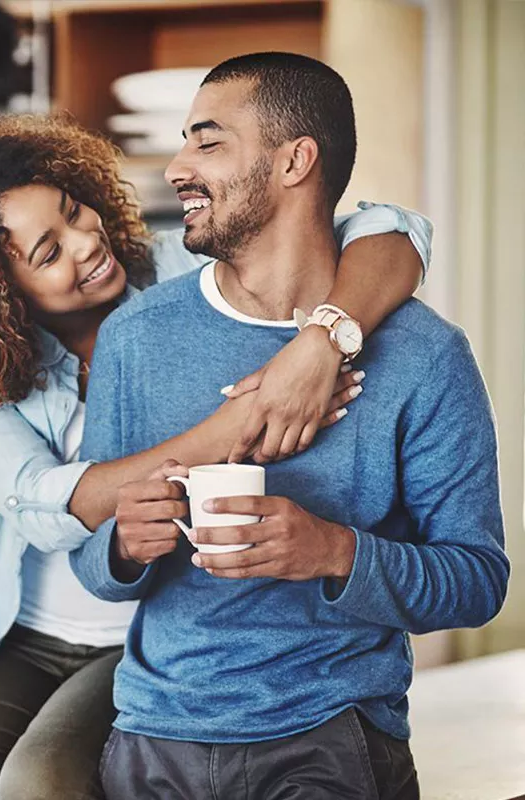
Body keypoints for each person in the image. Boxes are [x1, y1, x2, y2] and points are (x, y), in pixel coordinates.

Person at [0, 111, 432, 800]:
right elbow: (43, 501)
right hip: (23, 634)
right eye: (48, 253)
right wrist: (240, 421)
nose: (86, 242)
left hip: (150, 632)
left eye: (73, 211)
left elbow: (392, 231)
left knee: (41, 781)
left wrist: (323, 341)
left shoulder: (185, 264)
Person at [70, 52, 509, 800]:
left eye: (208, 143)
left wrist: (331, 551)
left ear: (295, 161)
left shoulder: (426, 357)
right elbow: (93, 564)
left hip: (329, 740)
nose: (178, 167)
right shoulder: (136, 337)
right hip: (153, 740)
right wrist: (120, 546)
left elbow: (476, 581)